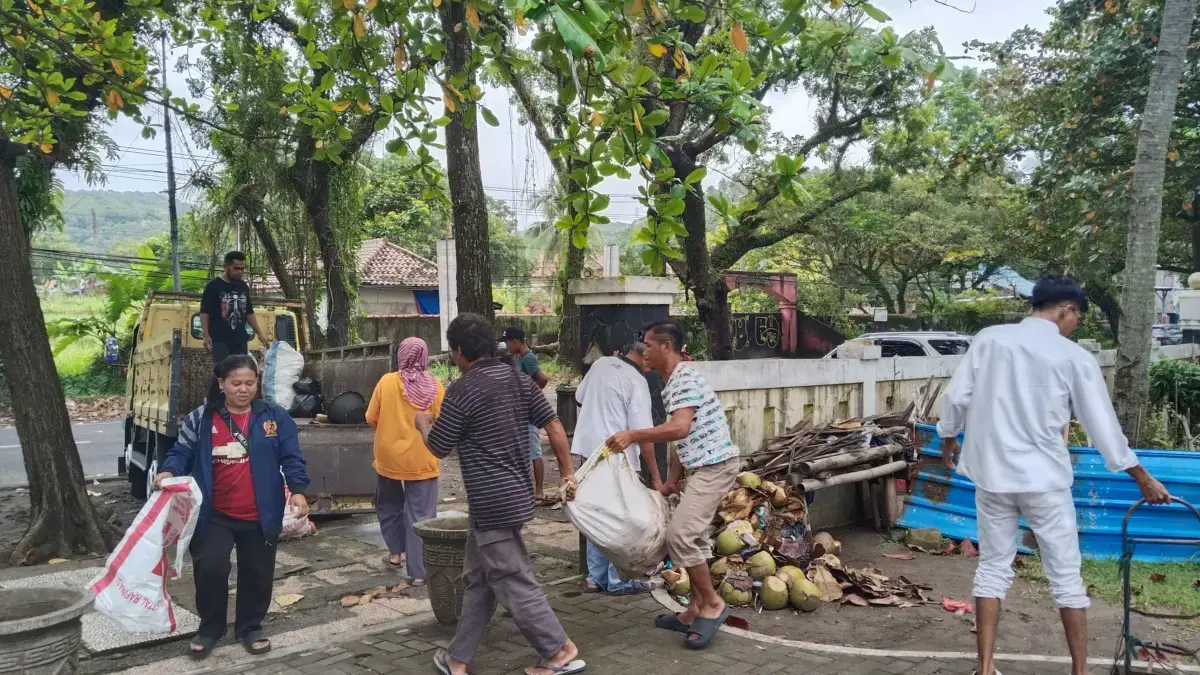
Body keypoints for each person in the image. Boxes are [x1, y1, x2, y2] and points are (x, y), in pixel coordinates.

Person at [937, 275, 1171, 675]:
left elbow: (957, 397)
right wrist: (1143, 477)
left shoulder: (990, 339)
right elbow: (1103, 428)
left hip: (992, 477)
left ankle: (985, 666)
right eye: (1076, 319)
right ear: (1067, 309)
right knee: (1065, 575)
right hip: (1044, 482)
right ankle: (1079, 671)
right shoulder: (1073, 358)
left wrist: (946, 439)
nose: (1074, 327)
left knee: (993, 567)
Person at [415, 313, 584, 675]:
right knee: (478, 580)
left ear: (459, 351)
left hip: (492, 504)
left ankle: (559, 650)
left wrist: (423, 424)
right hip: (514, 497)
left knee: (511, 579)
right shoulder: (518, 379)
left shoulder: (463, 390)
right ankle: (457, 659)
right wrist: (567, 473)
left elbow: (439, 447)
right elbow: (554, 425)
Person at [154, 354, 309, 660]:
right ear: (221, 384)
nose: (243, 389)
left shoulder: (274, 417)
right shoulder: (201, 418)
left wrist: (300, 491)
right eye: (236, 383)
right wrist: (168, 471)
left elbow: (292, 456)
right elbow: (180, 451)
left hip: (260, 514)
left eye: (250, 383)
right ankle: (211, 628)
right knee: (211, 568)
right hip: (214, 514)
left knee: (258, 572)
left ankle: (250, 628)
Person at [606, 319, 740, 650]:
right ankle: (694, 607)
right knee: (691, 535)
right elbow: (686, 438)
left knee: (680, 534)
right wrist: (670, 481)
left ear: (666, 347)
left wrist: (633, 435)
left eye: (649, 346)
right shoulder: (674, 382)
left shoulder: (684, 378)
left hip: (715, 467)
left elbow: (679, 428)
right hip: (701, 467)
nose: (644, 352)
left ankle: (712, 604)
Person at [572, 340, 663, 596]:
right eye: (650, 360)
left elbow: (579, 397)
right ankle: (617, 579)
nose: (651, 366)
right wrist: (655, 476)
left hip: (590, 451)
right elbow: (642, 434)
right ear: (644, 356)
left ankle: (595, 577)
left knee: (596, 515)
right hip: (616, 457)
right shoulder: (636, 381)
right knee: (620, 519)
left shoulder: (600, 364)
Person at [366, 337, 444, 585]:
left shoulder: (387, 382)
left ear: (401, 356)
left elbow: (371, 417)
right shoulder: (436, 386)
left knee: (389, 505)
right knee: (421, 515)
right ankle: (419, 573)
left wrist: (390, 431)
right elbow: (442, 423)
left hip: (389, 457)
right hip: (422, 457)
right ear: (424, 356)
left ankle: (395, 555)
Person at [201, 251, 267, 403]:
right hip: (219, 338)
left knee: (239, 371)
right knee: (222, 370)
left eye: (242, 268)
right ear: (226, 267)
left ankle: (235, 404)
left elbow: (248, 312)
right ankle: (212, 402)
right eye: (236, 268)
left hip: (239, 338)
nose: (240, 272)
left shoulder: (243, 286)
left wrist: (259, 333)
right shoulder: (213, 286)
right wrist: (206, 334)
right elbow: (205, 312)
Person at [502, 326, 551, 505]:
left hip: (529, 414)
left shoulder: (528, 358)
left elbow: (543, 378)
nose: (506, 345)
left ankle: (538, 492)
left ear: (515, 341)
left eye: (507, 342)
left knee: (534, 452)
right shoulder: (520, 358)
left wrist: (530, 395)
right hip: (521, 413)